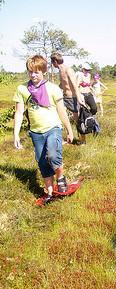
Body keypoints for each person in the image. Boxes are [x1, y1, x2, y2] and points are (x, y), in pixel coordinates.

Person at [13, 55, 74, 203]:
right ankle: (50, 191)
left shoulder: (52, 89)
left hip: (53, 128)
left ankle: (60, 177)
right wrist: (15, 135)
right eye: (30, 71)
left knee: (53, 155)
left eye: (36, 72)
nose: (33, 75)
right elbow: (19, 112)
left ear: (44, 71)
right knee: (42, 162)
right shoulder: (22, 89)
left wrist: (69, 130)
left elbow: (61, 111)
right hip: (36, 132)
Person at [50, 53, 85, 125]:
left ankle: (81, 135)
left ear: (55, 62)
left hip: (72, 98)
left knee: (77, 120)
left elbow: (75, 85)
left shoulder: (68, 70)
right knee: (58, 112)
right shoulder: (60, 71)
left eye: (52, 62)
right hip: (64, 97)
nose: (52, 64)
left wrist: (79, 98)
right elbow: (63, 84)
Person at [75, 63, 97, 143]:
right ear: (83, 69)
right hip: (82, 95)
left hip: (88, 94)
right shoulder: (79, 75)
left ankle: (89, 118)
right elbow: (76, 86)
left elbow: (88, 85)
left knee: (94, 108)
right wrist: (80, 96)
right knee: (82, 114)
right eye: (86, 69)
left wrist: (93, 91)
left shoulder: (89, 75)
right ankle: (83, 126)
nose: (87, 71)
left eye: (88, 70)